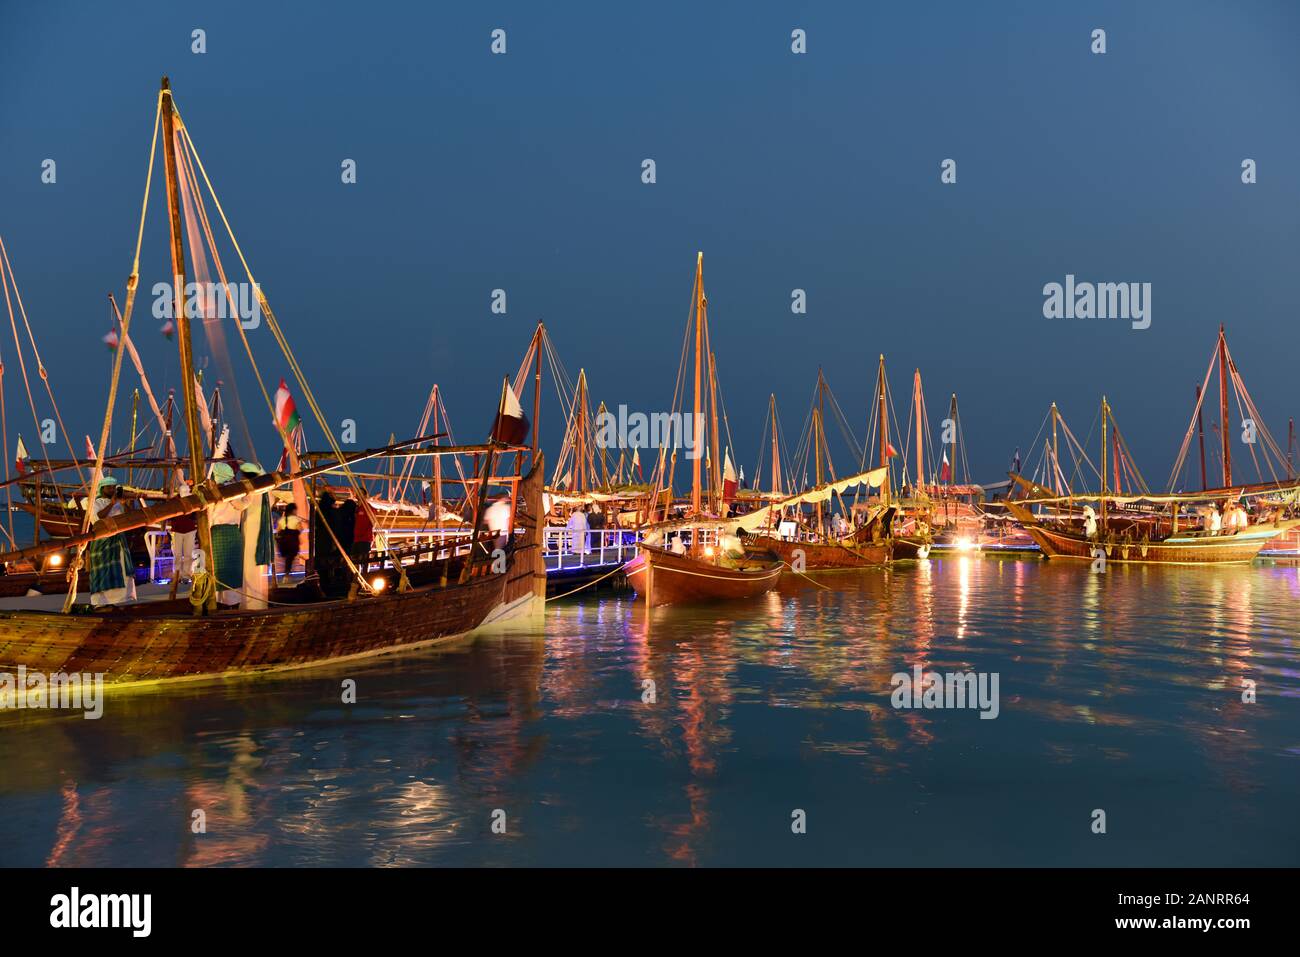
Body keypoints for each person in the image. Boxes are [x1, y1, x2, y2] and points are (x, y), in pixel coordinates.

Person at [85, 476, 137, 606]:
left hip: (119, 540)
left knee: (123, 569)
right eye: (109, 487)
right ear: (102, 489)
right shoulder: (95, 503)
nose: (112, 489)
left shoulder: (119, 503)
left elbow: (131, 517)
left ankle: (124, 599)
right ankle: (100, 602)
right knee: (103, 571)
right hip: (103, 541)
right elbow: (98, 518)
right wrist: (112, 504)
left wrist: (124, 504)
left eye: (114, 487)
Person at [236, 462, 274, 610]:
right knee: (259, 568)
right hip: (261, 531)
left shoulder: (251, 489)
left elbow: (240, 505)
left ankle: (251, 604)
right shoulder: (266, 490)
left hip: (251, 530)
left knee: (249, 566)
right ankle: (260, 602)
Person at [169, 480, 198, 586]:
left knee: (187, 554)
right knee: (179, 554)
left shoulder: (177, 501)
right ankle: (178, 574)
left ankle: (184, 575)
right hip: (179, 530)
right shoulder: (174, 501)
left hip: (187, 530)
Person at [276, 503, 303, 585]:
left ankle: (287, 574)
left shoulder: (282, 519)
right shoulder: (296, 519)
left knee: (288, 559)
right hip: (292, 543)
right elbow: (300, 529)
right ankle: (287, 575)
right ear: (293, 510)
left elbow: (278, 530)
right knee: (290, 559)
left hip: (283, 543)